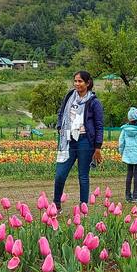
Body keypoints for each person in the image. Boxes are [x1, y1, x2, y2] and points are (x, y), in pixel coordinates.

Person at [54, 71, 104, 209]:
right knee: (60, 174)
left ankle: (83, 207)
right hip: (68, 140)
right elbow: (61, 112)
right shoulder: (70, 96)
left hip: (85, 142)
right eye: (75, 81)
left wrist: (98, 147)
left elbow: (99, 126)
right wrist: (60, 126)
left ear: (88, 83)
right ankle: (56, 205)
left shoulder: (94, 102)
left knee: (83, 176)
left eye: (80, 81)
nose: (77, 84)